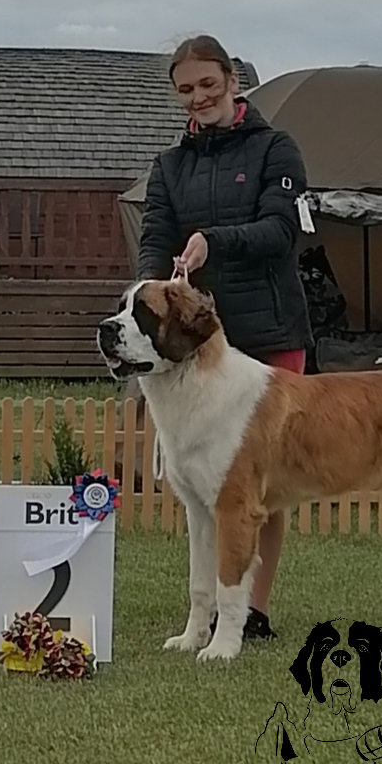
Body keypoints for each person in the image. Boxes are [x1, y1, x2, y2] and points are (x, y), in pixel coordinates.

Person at [135, 33, 313, 641]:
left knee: (262, 481)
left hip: (267, 332)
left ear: (233, 82)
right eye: (186, 89)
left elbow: (280, 232)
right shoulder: (168, 166)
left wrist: (214, 241)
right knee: (201, 481)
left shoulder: (276, 149)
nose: (198, 97)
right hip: (192, 343)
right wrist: (153, 289)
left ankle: (252, 609)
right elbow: (154, 238)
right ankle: (207, 608)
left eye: (208, 84)